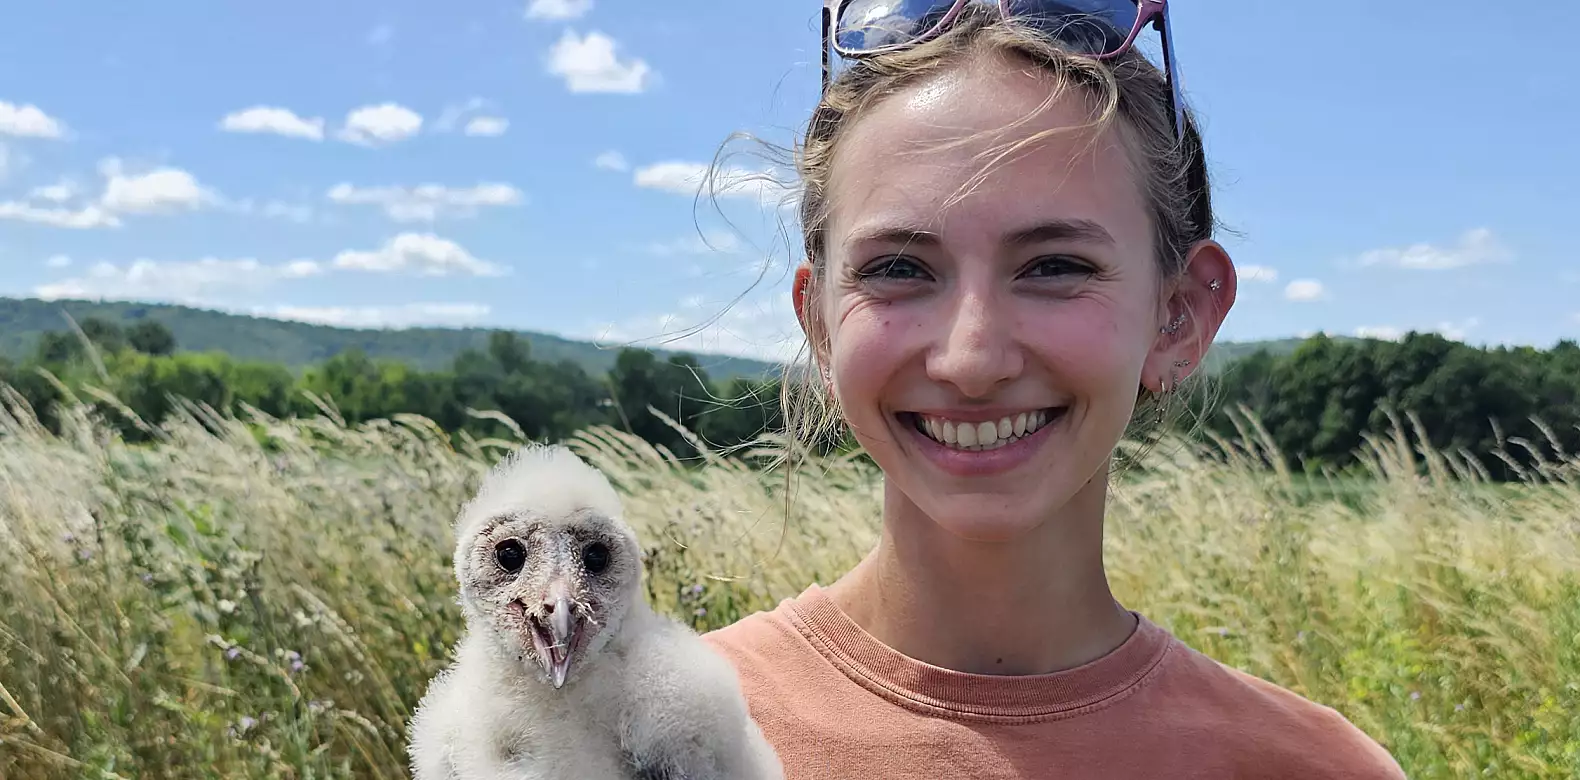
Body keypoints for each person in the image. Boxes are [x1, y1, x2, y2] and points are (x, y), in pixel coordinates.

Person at [701, 2, 1409, 778]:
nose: (971, 360)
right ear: (822, 324)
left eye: (1055, 267)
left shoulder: (1314, 767)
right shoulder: (642, 741)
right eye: (898, 269)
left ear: (1179, 316)